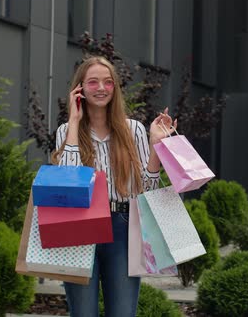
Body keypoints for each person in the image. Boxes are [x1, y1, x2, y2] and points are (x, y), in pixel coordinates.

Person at [50, 56, 176, 317]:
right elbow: (67, 181)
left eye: (108, 82)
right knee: (83, 313)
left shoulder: (134, 130)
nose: (101, 88)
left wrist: (156, 147)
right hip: (78, 226)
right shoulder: (66, 131)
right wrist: (74, 122)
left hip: (123, 225)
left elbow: (146, 190)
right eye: (93, 82)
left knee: (122, 313)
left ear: (115, 88)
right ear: (80, 88)